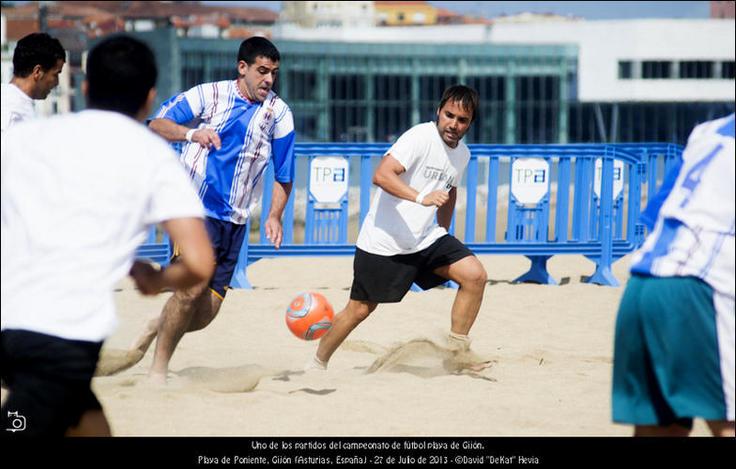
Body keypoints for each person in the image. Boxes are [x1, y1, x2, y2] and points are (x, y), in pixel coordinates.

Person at [0, 35, 215, 437]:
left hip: (8, 318)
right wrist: (157, 279)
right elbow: (201, 262)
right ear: (150, 98)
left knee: (92, 427)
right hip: (60, 333)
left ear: (84, 88)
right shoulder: (152, 157)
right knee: (22, 424)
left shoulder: (29, 137)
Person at [122, 36, 296, 383]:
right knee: (188, 292)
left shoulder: (280, 113)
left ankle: (156, 325)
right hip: (193, 210)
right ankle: (158, 372)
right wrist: (192, 135)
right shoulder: (209, 94)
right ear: (242, 67)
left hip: (235, 221)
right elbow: (157, 124)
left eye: (273, 73)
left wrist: (274, 215)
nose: (268, 80)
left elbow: (285, 172)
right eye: (262, 71)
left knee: (205, 313)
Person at [307, 85, 488, 371]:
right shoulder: (419, 137)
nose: (453, 124)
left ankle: (457, 355)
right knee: (360, 309)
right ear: (439, 111)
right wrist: (421, 198)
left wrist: (443, 230)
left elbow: (449, 190)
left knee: (475, 276)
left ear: (470, 122)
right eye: (449, 115)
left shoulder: (462, 154)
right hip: (384, 241)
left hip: (426, 239)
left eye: (462, 120)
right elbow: (381, 174)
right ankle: (318, 363)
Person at [612, 112, 735, 437]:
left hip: (644, 284)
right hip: (698, 291)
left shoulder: (707, 132)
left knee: (661, 430)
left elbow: (657, 213)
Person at [1, 32, 65, 132]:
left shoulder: (13, 102)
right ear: (37, 72)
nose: (57, 82)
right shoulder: (12, 113)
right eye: (55, 74)